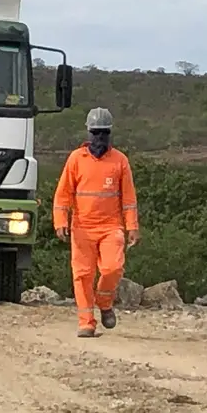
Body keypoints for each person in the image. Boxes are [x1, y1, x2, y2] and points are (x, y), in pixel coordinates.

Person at [52, 108, 140, 337]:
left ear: (110, 134)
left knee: (113, 268)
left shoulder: (120, 161)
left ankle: (104, 300)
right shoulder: (76, 159)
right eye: (96, 133)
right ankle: (86, 322)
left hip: (111, 227)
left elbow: (129, 199)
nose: (99, 138)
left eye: (104, 133)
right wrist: (60, 221)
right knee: (82, 275)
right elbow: (63, 194)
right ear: (88, 133)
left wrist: (132, 227)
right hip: (82, 227)